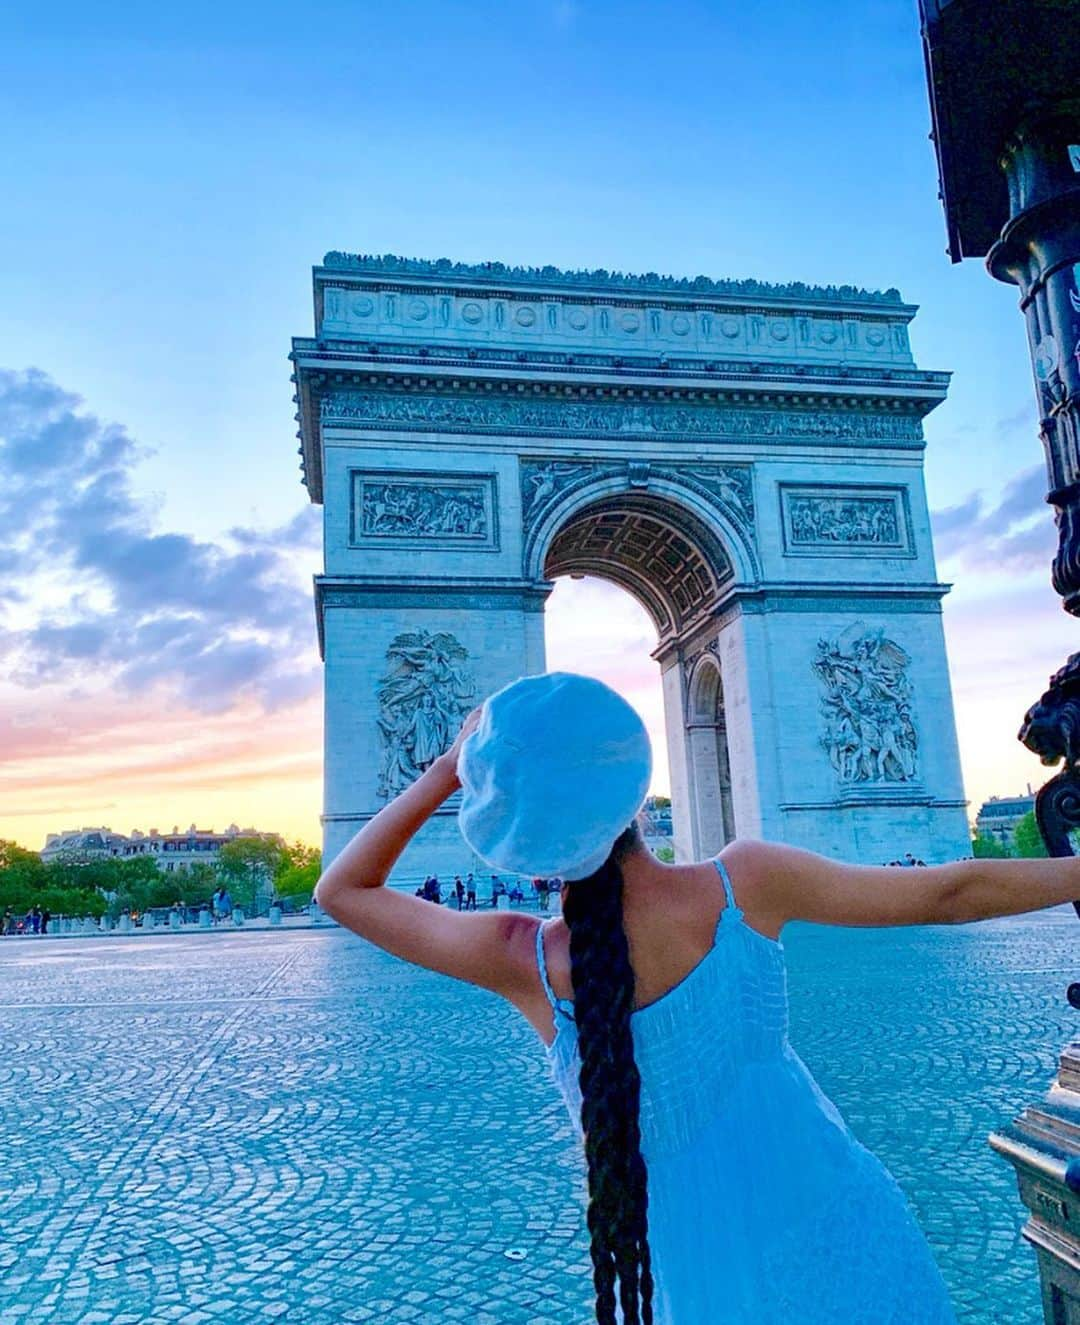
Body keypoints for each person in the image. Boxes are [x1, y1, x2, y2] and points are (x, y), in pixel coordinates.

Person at [312, 670, 1080, 1325]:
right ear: (636, 789)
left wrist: (453, 765)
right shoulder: (743, 884)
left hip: (694, 1269)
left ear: (518, 838)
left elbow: (342, 889)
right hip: (835, 1221)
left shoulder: (527, 961)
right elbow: (954, 890)